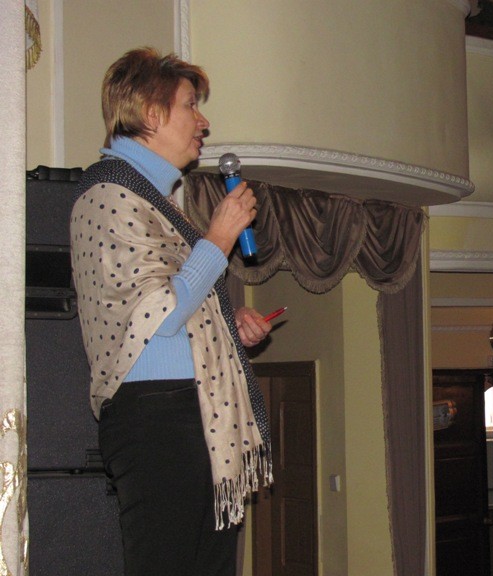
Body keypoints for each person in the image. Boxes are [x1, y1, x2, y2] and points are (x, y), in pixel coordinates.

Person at [69, 47, 274, 576]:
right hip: (158, 416)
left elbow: (174, 308)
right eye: (190, 106)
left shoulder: (151, 201)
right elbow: (155, 314)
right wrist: (219, 238)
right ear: (151, 113)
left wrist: (227, 327)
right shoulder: (109, 196)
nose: (203, 123)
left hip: (186, 410)